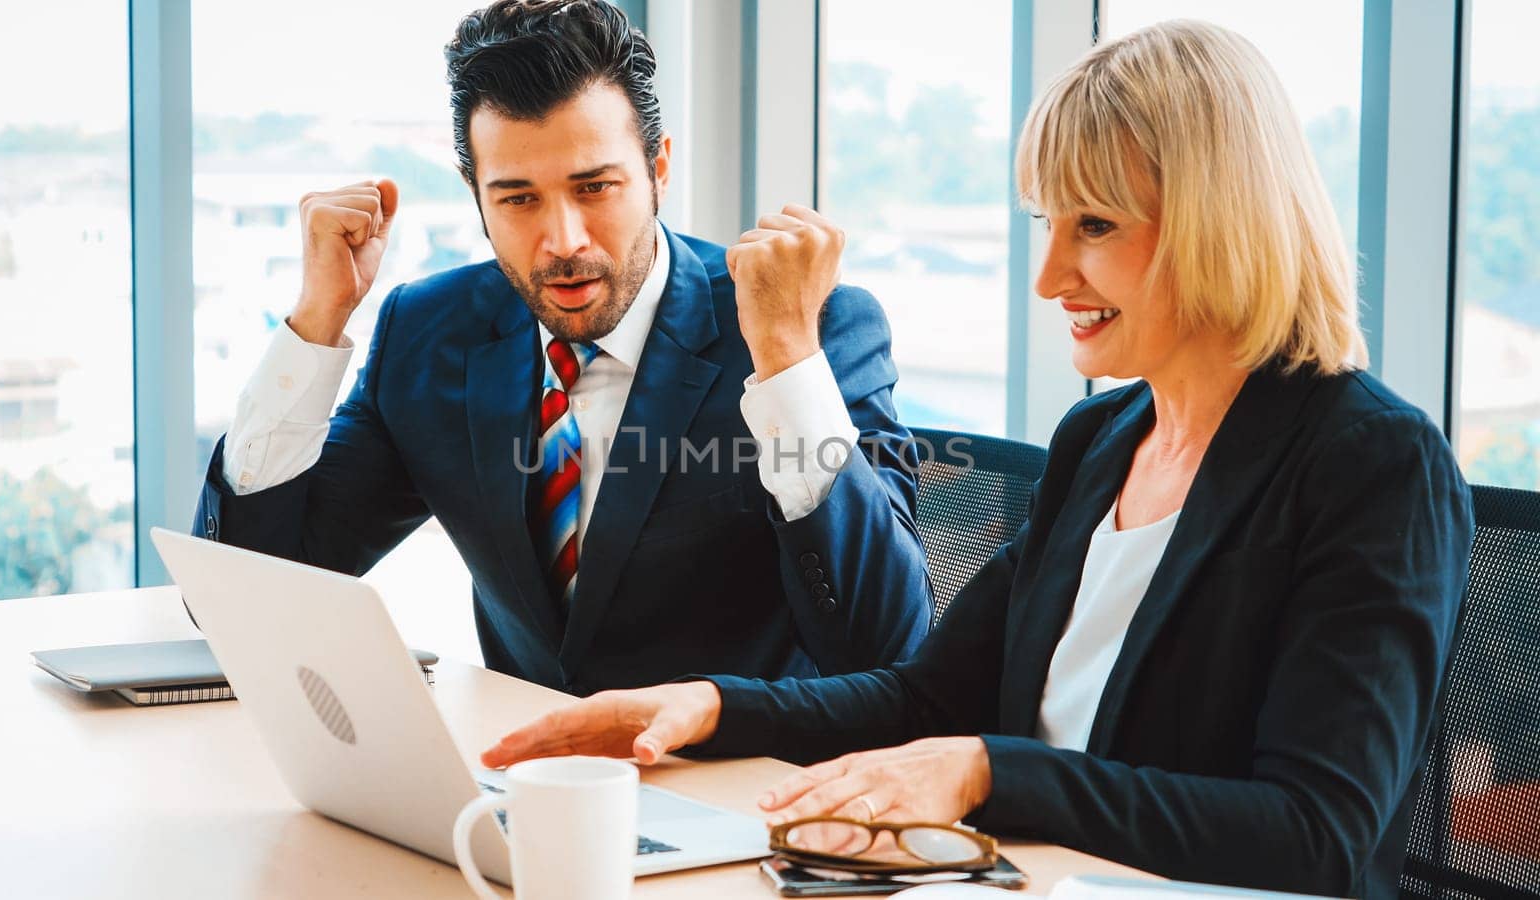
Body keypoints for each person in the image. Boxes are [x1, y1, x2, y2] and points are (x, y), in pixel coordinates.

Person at [481, 20, 1475, 898]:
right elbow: (928, 696)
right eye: (1047, 224)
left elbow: (1320, 839)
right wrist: (704, 704)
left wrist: (988, 773)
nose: (1049, 277)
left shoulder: (1373, 467)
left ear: (1220, 220)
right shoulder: (1102, 442)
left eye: (1093, 226)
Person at [190, 0, 932, 695]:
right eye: (518, 198)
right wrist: (315, 322)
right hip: (531, 793)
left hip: (747, 792)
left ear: (658, 171)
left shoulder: (810, 328)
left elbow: (889, 651)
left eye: (596, 188)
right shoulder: (430, 331)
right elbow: (250, 598)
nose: (563, 241)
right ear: (475, 193)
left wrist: (786, 360)